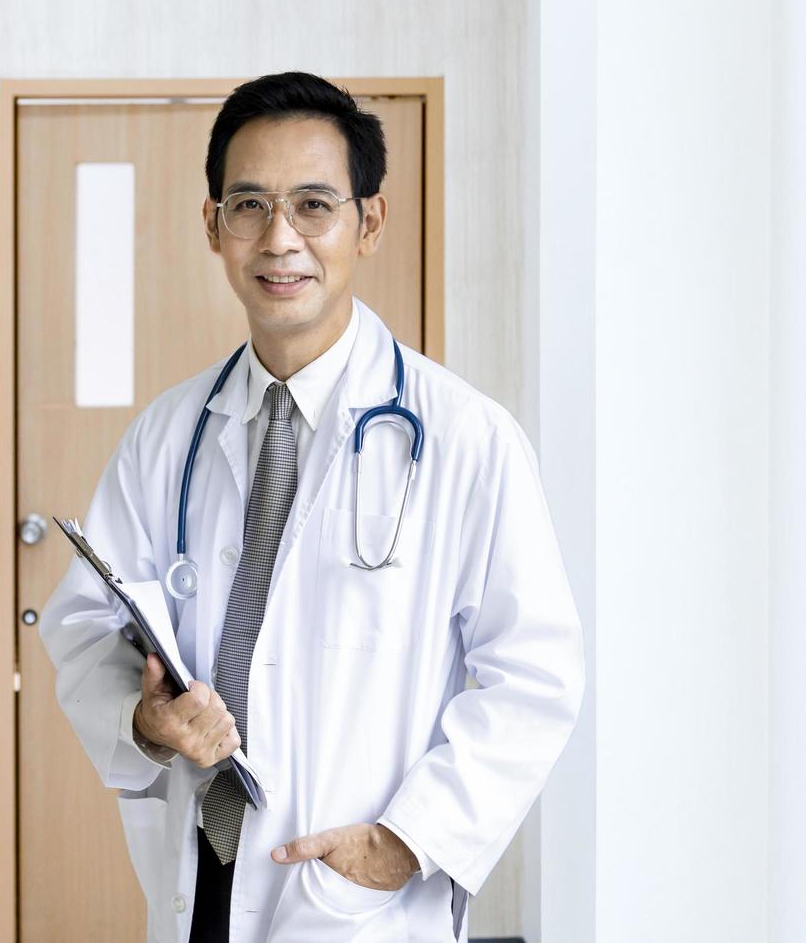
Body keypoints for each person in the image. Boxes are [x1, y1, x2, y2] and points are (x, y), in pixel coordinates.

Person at [37, 72, 585, 943]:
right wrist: (145, 719)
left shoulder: (465, 439)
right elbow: (81, 629)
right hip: (199, 878)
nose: (280, 238)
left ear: (369, 222)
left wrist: (406, 843)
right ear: (213, 225)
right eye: (249, 204)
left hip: (354, 897)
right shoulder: (165, 437)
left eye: (314, 205)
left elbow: (535, 676)